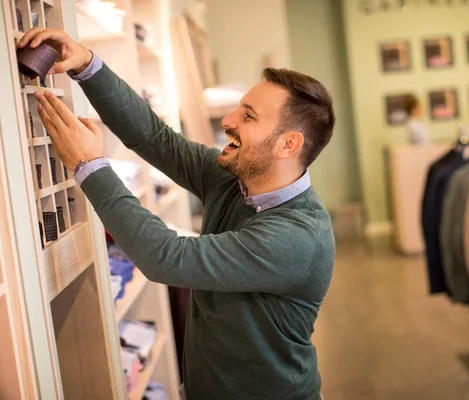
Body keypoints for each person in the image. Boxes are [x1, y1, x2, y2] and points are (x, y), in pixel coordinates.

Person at [20, 28, 335, 400]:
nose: (229, 120)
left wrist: (90, 165)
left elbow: (165, 258)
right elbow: (156, 139)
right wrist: (87, 65)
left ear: (288, 144)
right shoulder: (234, 177)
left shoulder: (299, 237)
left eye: (248, 116)